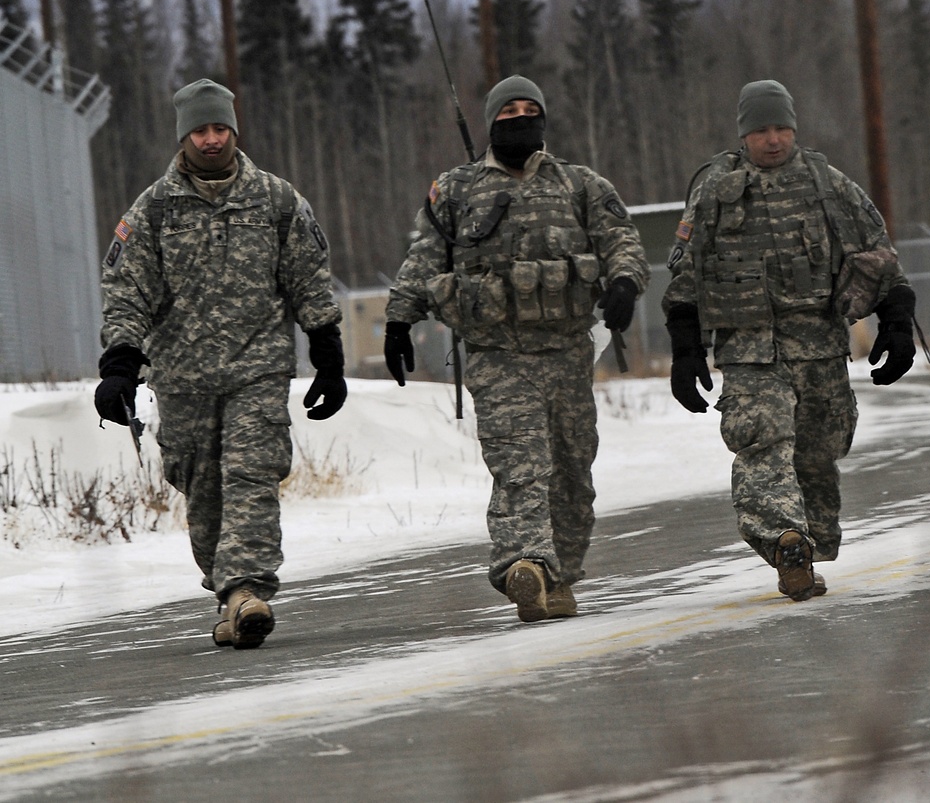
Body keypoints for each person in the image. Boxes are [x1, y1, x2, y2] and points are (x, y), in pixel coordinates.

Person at [383, 74, 649, 622]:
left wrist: (624, 283)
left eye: (530, 110)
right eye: (509, 112)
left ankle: (561, 573)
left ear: (544, 120)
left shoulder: (580, 185)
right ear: (489, 123)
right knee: (520, 467)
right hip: (498, 356)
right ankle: (524, 564)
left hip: (568, 354)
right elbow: (426, 256)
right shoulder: (456, 191)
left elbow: (622, 240)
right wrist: (398, 319)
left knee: (572, 472)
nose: (520, 119)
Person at [94, 78, 347, 649]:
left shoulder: (278, 201)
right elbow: (128, 291)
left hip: (257, 370)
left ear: (234, 130)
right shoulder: (154, 211)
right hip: (183, 380)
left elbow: (308, 277)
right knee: (203, 490)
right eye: (200, 131)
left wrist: (326, 352)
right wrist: (120, 364)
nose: (211, 140)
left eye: (220, 128)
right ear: (185, 137)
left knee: (251, 474)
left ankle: (248, 590)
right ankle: (229, 596)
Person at [663, 78, 917, 602]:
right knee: (763, 442)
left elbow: (876, 251)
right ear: (744, 135)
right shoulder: (715, 189)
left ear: (794, 128)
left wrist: (896, 319)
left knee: (817, 455)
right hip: (749, 349)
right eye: (761, 130)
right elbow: (686, 271)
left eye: (781, 127)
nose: (773, 139)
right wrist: (686, 347)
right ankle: (784, 539)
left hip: (820, 345)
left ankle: (808, 544)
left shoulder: (827, 183)